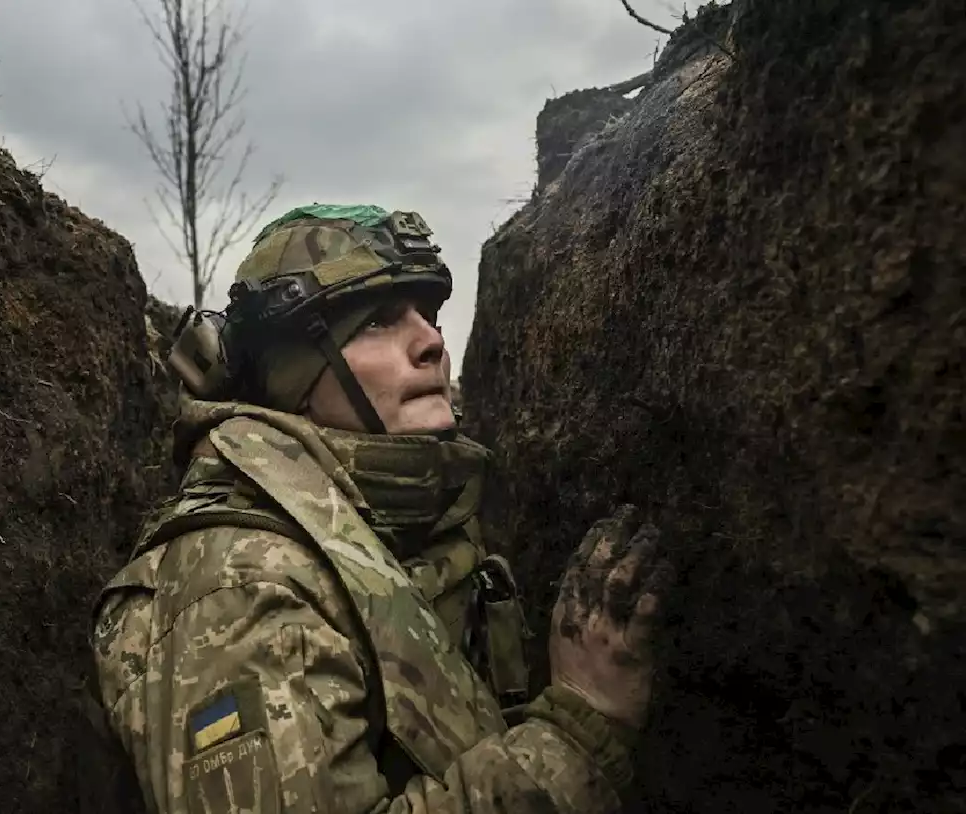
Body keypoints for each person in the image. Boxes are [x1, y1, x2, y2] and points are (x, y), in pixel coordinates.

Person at [91, 204, 673, 813]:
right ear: (297, 380)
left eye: (427, 314)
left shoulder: (400, 526)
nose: (430, 342)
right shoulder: (238, 585)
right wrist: (575, 733)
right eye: (375, 322)